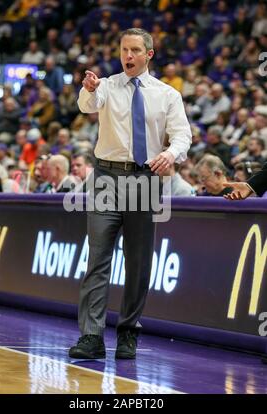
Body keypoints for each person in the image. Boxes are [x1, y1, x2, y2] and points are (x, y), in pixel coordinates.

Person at [69, 28, 191, 360]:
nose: (129, 55)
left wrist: (171, 154)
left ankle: (128, 333)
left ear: (149, 54)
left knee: (138, 263)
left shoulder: (166, 94)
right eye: (124, 49)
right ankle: (92, 336)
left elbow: (182, 136)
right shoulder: (106, 85)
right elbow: (87, 105)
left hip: (145, 178)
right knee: (97, 259)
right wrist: (89, 89)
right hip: (107, 175)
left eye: (135, 50)